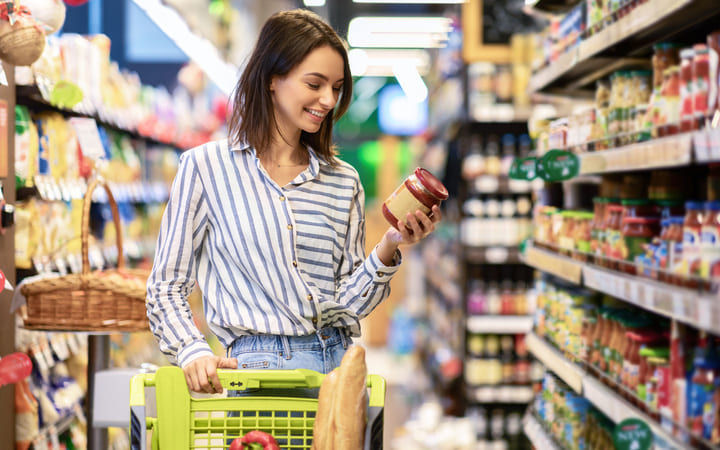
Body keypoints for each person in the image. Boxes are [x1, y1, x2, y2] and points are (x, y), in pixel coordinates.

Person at [146, 8, 441, 395]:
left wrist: (390, 245)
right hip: (257, 376)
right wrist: (191, 350)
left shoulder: (343, 181)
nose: (328, 99)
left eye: (336, 87)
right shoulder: (205, 167)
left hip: (338, 372)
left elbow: (347, 306)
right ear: (272, 79)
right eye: (315, 83)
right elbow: (165, 286)